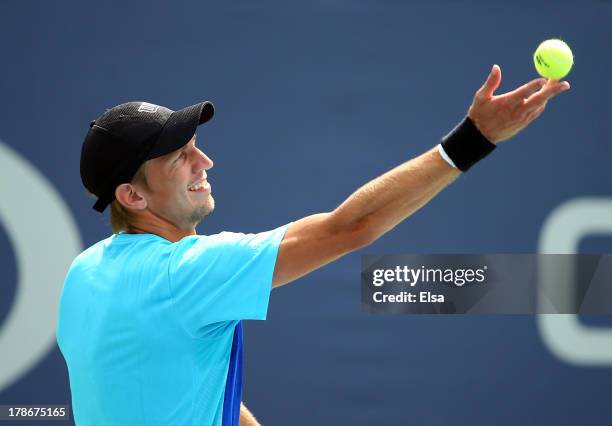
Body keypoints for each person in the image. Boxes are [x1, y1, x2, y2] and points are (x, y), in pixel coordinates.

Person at [56, 65, 569, 426]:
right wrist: (472, 139)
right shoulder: (187, 273)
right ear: (132, 195)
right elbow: (349, 228)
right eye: (180, 158)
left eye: (196, 149)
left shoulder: (82, 275)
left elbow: (187, 385)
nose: (205, 163)